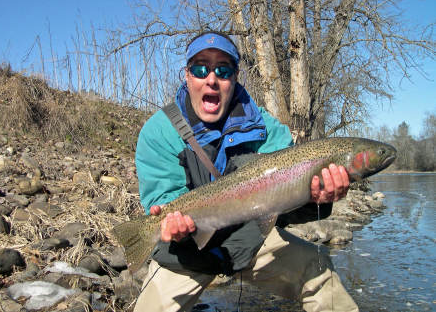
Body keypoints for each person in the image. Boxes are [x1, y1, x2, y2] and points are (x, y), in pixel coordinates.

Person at [133, 31, 359, 312]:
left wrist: (317, 199)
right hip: (187, 253)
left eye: (223, 70)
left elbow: (285, 204)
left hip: (251, 238)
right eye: (201, 69)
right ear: (187, 76)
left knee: (320, 273)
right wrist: (172, 226)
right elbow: (163, 200)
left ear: (235, 77)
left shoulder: (264, 127)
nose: (212, 79)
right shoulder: (160, 131)